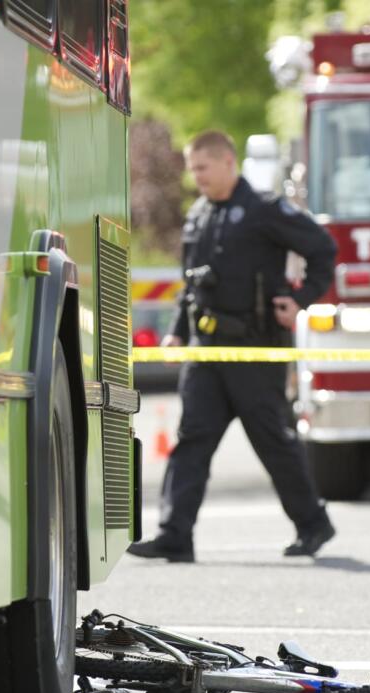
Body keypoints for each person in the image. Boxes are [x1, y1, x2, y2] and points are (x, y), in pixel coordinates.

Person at [128, 130, 339, 564]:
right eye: (192, 171)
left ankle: (312, 523)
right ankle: (174, 535)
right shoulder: (199, 215)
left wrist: (300, 299)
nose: (196, 178)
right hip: (207, 352)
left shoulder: (263, 210)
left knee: (272, 440)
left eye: (203, 168)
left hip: (254, 348)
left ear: (228, 162)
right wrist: (177, 331)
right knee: (192, 440)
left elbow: (323, 249)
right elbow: (189, 284)